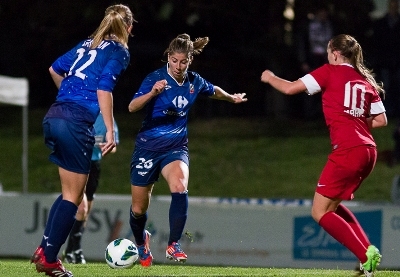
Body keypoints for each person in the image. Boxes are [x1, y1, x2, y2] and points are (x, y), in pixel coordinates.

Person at [260, 34, 386, 277]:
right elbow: (381, 120)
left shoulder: (330, 71)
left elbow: (289, 88)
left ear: (336, 54)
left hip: (348, 150)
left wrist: (270, 77)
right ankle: (368, 251)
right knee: (333, 205)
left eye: (329, 52)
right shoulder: (364, 80)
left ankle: (364, 256)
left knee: (319, 212)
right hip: (368, 151)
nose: (328, 56)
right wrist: (355, 120)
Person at [30, 4, 135, 277]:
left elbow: (54, 69)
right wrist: (110, 129)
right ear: (129, 28)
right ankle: (51, 258)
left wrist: (67, 99)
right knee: (75, 198)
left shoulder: (87, 43)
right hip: (75, 123)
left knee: (68, 194)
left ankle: (44, 250)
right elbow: (104, 88)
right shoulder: (120, 51)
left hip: (55, 115)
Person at [127, 33, 247, 267]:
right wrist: (152, 93)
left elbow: (214, 91)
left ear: (190, 60)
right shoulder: (155, 78)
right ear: (168, 58)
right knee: (139, 209)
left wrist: (231, 98)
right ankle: (141, 243)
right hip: (147, 148)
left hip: (175, 147)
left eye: (183, 62)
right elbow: (132, 107)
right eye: (174, 61)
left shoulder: (194, 81)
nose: (179, 66)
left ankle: (174, 244)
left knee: (180, 186)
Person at [62, 113, 119, 264]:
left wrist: (105, 147)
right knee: (81, 208)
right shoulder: (78, 111)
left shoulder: (107, 118)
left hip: (94, 165)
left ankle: (73, 249)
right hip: (77, 163)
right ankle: (72, 250)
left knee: (85, 212)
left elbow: (113, 146)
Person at [294, 4, 334, 120]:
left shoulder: (329, 25)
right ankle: (310, 114)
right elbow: (302, 44)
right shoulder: (308, 26)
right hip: (312, 59)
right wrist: (303, 61)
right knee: (310, 86)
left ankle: (324, 113)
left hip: (325, 59)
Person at [370, 0, 400, 118]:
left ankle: (395, 111)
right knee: (385, 87)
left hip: (397, 61)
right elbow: (377, 43)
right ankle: (388, 111)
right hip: (385, 61)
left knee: (397, 86)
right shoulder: (381, 23)